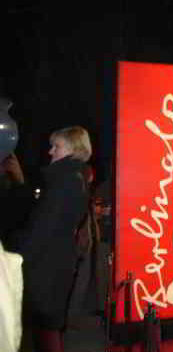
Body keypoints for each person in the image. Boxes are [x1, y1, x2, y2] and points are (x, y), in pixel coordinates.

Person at [18, 126, 92, 352]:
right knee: (48, 326)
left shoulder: (64, 180)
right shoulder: (76, 177)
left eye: (56, 146)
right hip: (57, 259)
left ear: (72, 148)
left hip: (46, 263)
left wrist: (16, 254)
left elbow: (42, 228)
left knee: (45, 327)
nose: (50, 151)